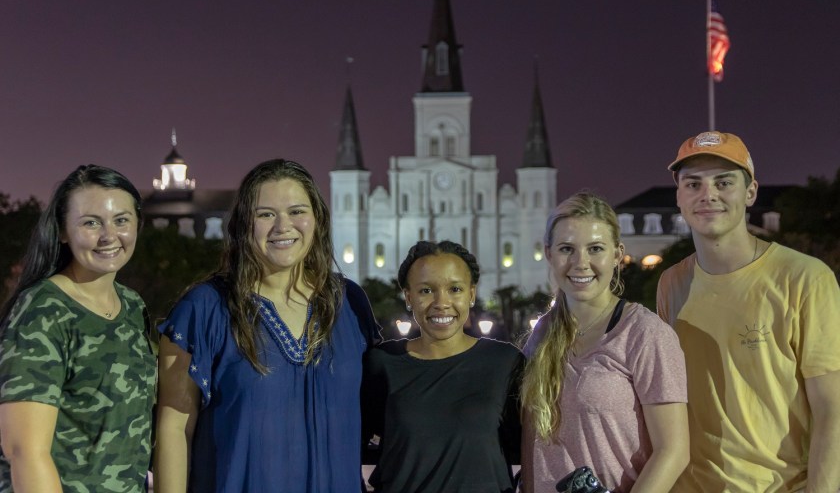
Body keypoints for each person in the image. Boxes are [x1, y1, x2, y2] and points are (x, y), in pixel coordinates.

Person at [154, 158, 379, 492]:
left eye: (297, 211)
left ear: (317, 218)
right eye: (265, 214)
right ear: (243, 224)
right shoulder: (204, 309)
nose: (282, 226)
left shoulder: (350, 303)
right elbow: (174, 431)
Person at [657, 131, 840, 492]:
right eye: (693, 184)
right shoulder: (671, 283)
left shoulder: (805, 278)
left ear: (751, 192)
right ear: (679, 197)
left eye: (724, 182)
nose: (707, 194)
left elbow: (831, 412)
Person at [0, 165, 155, 492]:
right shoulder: (44, 310)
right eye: (91, 222)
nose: (109, 236)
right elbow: (24, 451)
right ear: (62, 231)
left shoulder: (133, 306)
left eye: (121, 220)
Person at [520, 192, 688, 493]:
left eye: (595, 248)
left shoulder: (644, 333)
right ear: (549, 254)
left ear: (616, 254)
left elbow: (673, 452)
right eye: (566, 249)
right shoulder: (542, 333)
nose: (580, 262)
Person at [362, 240, 523, 493]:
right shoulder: (381, 363)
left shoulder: (505, 362)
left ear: (471, 294)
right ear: (408, 297)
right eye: (426, 291)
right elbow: (349, 443)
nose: (441, 302)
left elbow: (534, 446)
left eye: (455, 289)